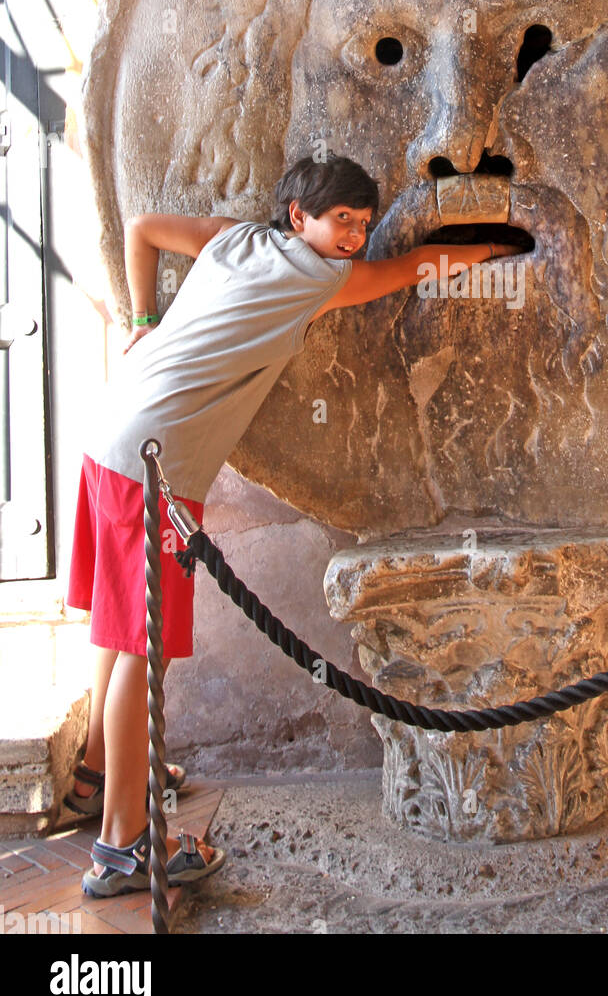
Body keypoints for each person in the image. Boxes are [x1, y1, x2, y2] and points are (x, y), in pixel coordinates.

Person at [66, 151, 518, 897]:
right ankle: (123, 843)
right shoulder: (318, 278)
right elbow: (417, 266)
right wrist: (500, 245)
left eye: (362, 225)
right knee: (142, 650)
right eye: (341, 220)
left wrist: (141, 320)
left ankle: (95, 776)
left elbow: (142, 229)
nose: (353, 238)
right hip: (157, 460)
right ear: (297, 217)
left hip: (116, 433)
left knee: (120, 632)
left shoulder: (232, 239)